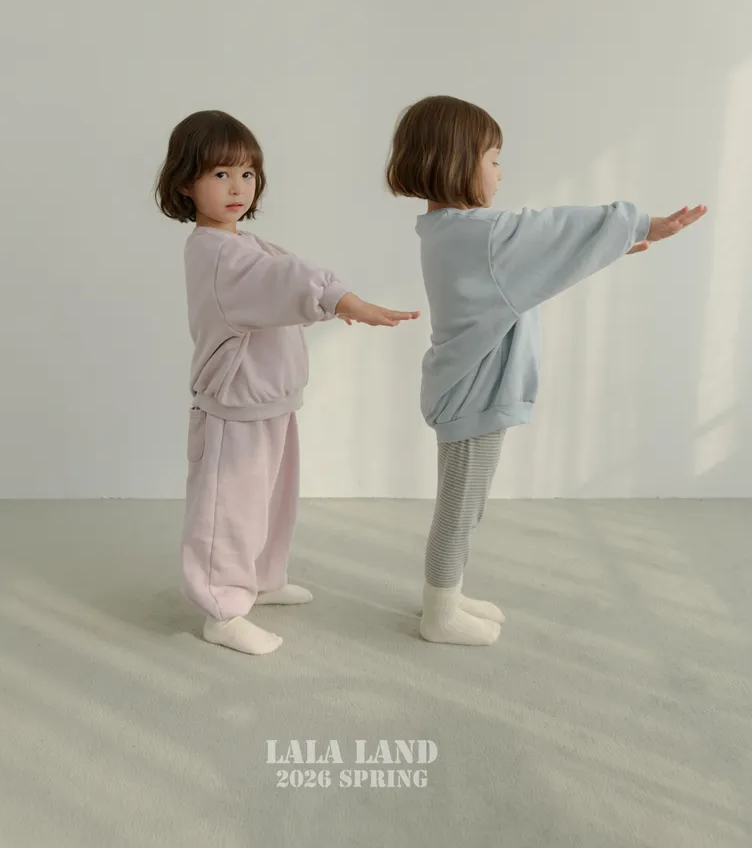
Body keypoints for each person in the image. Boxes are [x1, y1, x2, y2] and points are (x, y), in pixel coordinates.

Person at [386, 94, 706, 646]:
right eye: (493, 159)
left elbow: (536, 264)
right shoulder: (480, 235)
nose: (500, 172)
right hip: (473, 394)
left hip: (468, 389)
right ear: (455, 161)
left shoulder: (450, 231)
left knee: (467, 503)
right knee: (459, 509)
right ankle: (439, 612)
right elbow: (550, 231)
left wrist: (610, 247)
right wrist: (638, 224)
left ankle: (448, 593)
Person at [157, 109, 419, 656]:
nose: (237, 187)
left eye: (247, 174)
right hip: (233, 411)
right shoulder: (216, 255)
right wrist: (344, 301)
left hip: (270, 403)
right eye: (220, 174)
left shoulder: (244, 244)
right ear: (185, 183)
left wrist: (332, 301)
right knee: (229, 510)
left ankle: (261, 578)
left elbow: (285, 274)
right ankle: (222, 609)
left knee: (272, 501)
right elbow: (285, 280)